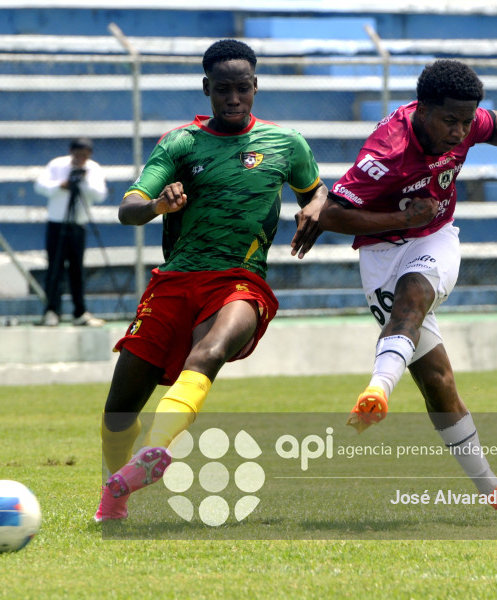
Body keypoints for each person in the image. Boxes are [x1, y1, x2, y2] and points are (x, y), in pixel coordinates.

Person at [94, 39, 327, 522]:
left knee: (210, 351)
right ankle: (116, 492)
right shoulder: (181, 143)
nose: (234, 98)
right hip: (177, 280)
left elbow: (316, 189)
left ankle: (156, 452)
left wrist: (316, 205)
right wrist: (159, 205)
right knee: (117, 414)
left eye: (243, 88)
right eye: (223, 89)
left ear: (256, 87)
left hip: (241, 280)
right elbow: (127, 208)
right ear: (207, 89)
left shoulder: (287, 144)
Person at [318, 59, 497, 521]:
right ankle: (494, 491)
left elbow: (494, 122)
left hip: (435, 238)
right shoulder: (386, 151)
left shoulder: (463, 120)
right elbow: (332, 215)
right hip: (382, 254)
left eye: (466, 121)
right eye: (450, 120)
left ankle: (377, 390)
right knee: (438, 384)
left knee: (414, 296)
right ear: (422, 109)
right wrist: (403, 219)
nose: (460, 131)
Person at [34, 137, 108, 327]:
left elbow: (100, 194)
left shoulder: (93, 168)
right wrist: (62, 184)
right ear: (71, 151)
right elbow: (40, 186)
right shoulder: (57, 165)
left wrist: (83, 182)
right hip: (57, 223)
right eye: (78, 154)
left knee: (77, 270)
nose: (81, 159)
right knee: (55, 268)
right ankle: (52, 311)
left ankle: (80, 312)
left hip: (78, 223)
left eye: (85, 155)